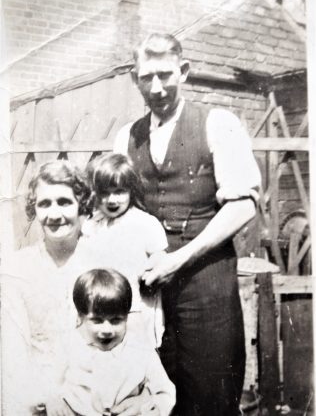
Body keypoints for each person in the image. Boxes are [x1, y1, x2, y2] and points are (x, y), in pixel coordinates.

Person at [114, 33, 262, 416]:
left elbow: (243, 206)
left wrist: (177, 261)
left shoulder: (217, 123)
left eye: (166, 74)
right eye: (147, 77)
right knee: (156, 394)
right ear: (135, 79)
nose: (157, 86)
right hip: (150, 292)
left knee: (211, 393)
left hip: (206, 283)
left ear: (184, 71)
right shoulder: (125, 138)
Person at [0, 161, 154, 416]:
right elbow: (13, 359)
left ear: (82, 205)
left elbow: (137, 341)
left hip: (103, 398)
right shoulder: (17, 270)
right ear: (33, 209)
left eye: (64, 202)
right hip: (40, 399)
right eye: (44, 204)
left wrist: (145, 397)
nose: (54, 214)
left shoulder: (111, 261)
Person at [49, 268, 176, 416]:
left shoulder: (140, 349)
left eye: (116, 320)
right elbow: (48, 382)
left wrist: (149, 403)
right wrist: (53, 400)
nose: (107, 329)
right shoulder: (69, 345)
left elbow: (165, 392)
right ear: (81, 317)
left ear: (127, 317)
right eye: (97, 321)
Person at [82, 153, 168, 348]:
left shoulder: (144, 223)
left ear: (131, 190)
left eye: (119, 191)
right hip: (101, 305)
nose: (112, 199)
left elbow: (159, 255)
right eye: (105, 193)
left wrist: (151, 270)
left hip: (137, 306)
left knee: (137, 354)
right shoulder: (93, 224)